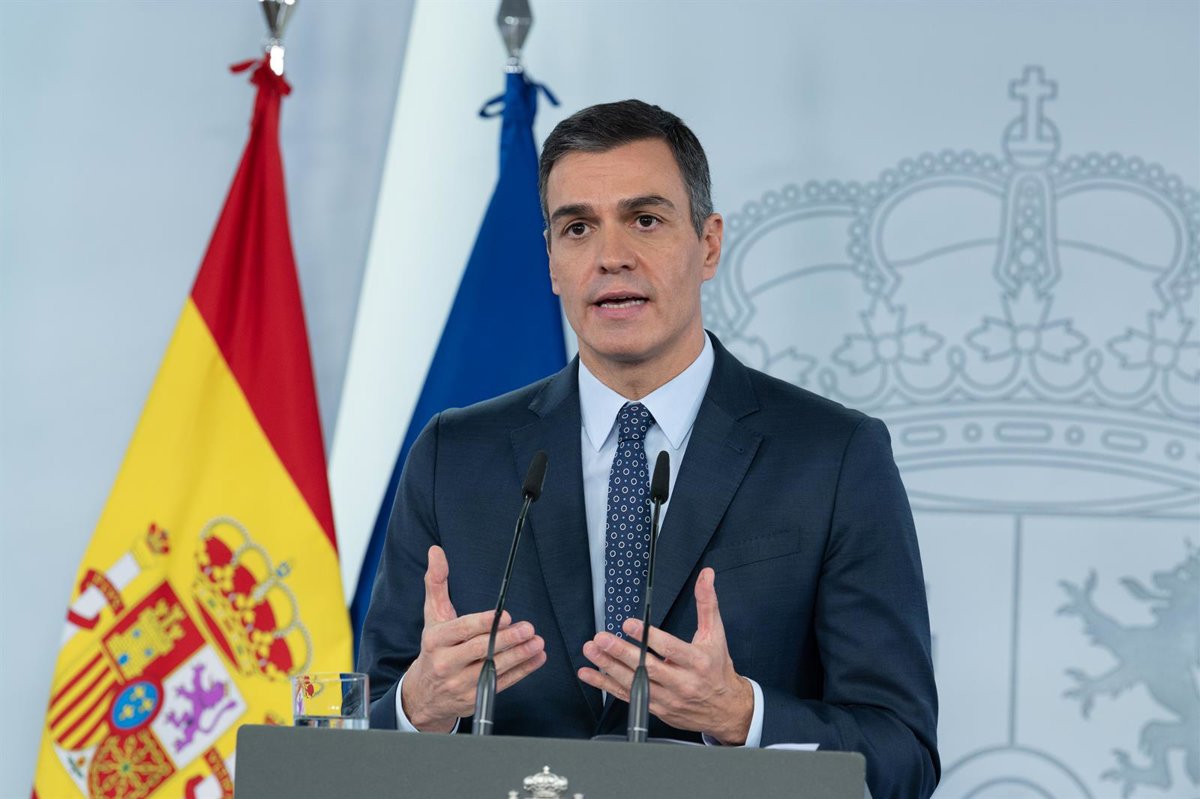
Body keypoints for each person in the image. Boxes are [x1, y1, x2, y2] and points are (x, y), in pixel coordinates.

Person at [358, 100, 939, 799]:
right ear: (552, 261)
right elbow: (362, 736)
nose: (611, 256)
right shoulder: (453, 456)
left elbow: (901, 755)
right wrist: (418, 706)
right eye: (578, 228)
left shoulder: (835, 457)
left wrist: (740, 714)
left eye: (645, 220)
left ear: (709, 244)